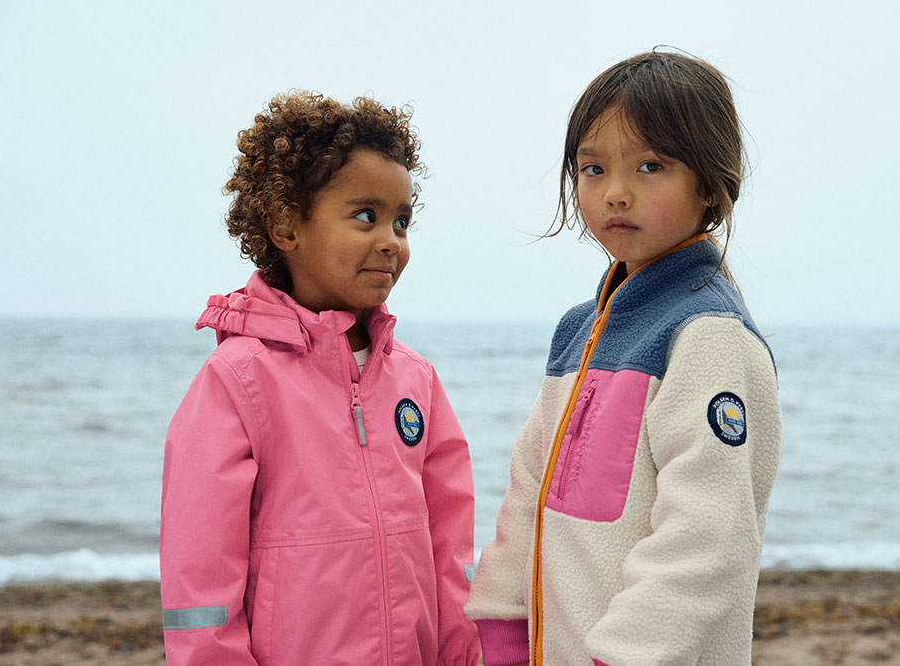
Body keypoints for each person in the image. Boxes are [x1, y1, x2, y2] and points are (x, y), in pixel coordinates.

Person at [464, 50, 782, 665]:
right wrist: (502, 627)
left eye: (650, 165)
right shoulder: (578, 331)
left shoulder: (706, 336)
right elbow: (527, 496)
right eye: (592, 168)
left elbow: (708, 538)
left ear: (709, 184)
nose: (615, 193)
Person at [160, 91, 480, 665]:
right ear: (286, 224)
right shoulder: (237, 381)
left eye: (401, 221)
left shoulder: (416, 380)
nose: (390, 240)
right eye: (366, 216)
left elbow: (451, 552)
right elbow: (199, 577)